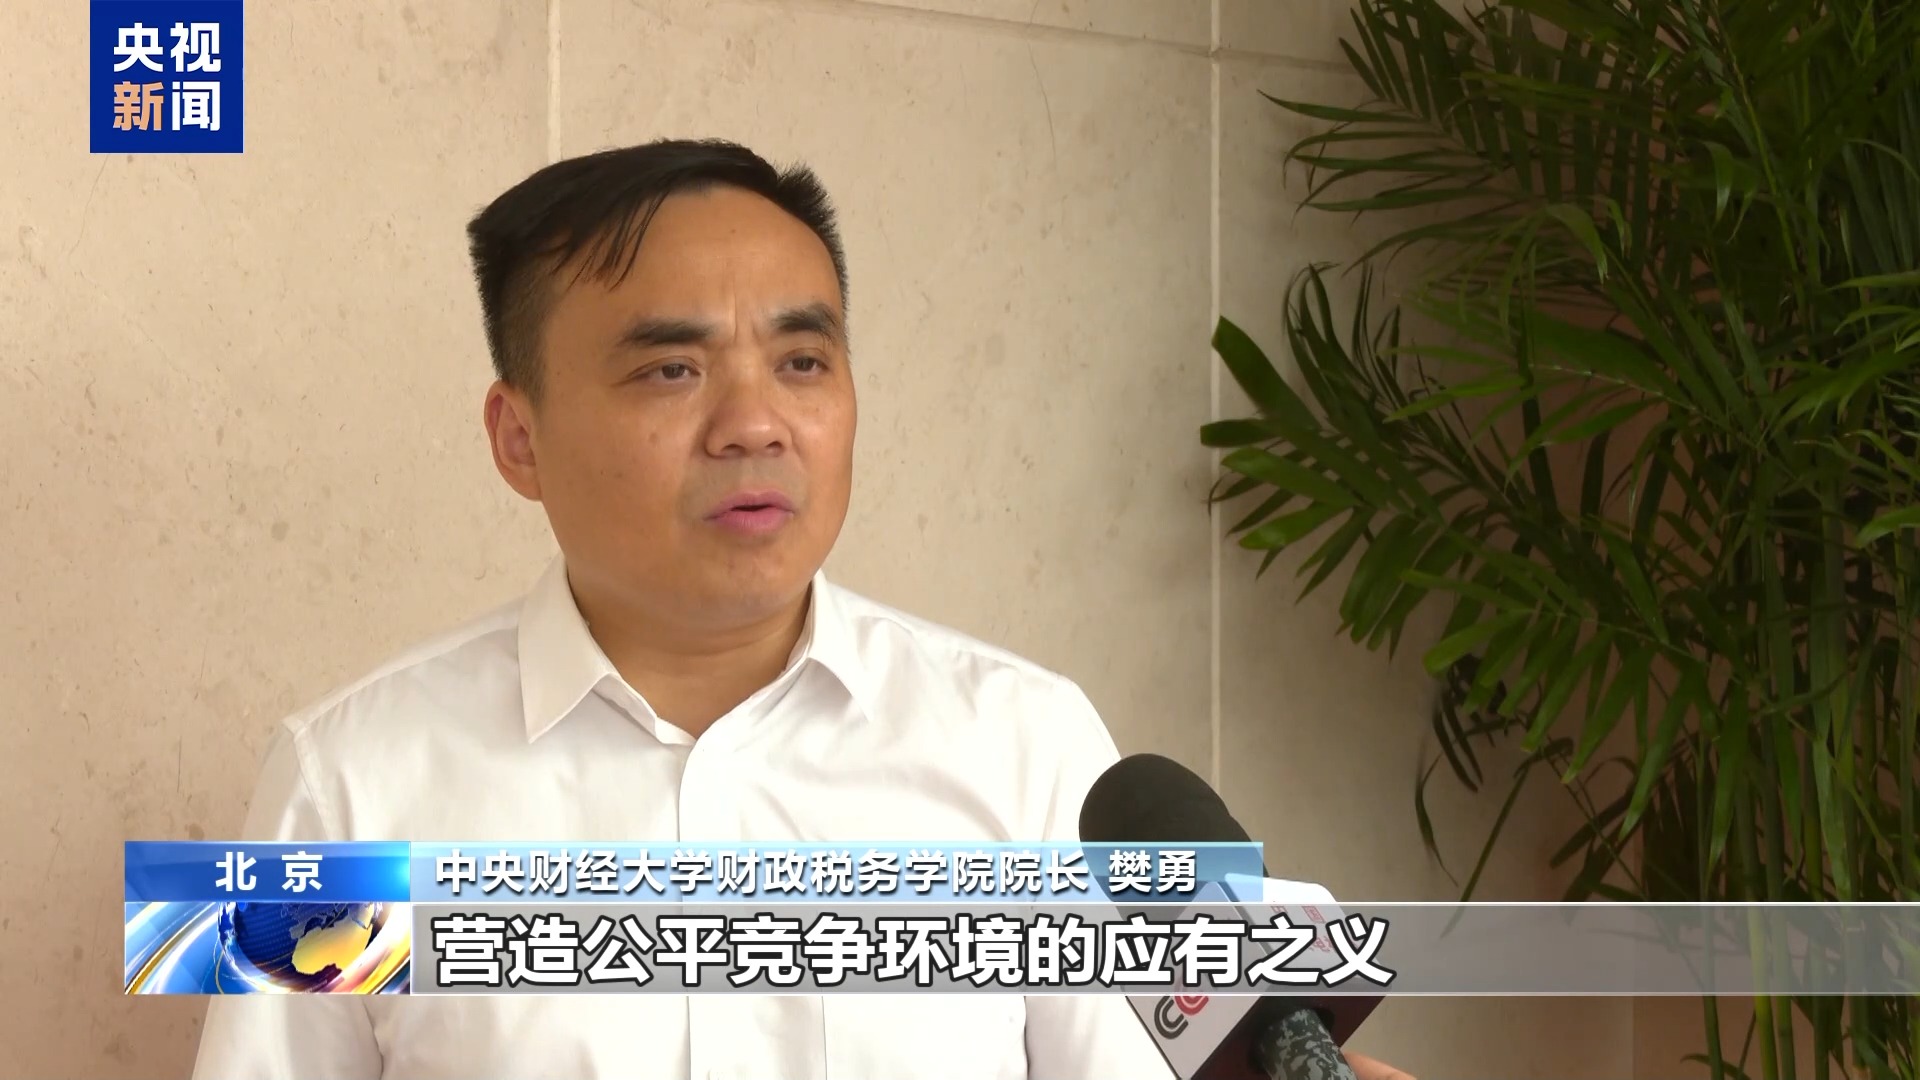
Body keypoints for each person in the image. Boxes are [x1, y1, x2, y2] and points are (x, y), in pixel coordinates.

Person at [190, 138, 1412, 1080]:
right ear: (520, 438)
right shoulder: (342, 784)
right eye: (671, 369)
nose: (754, 423)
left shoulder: (1029, 748)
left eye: (802, 362)